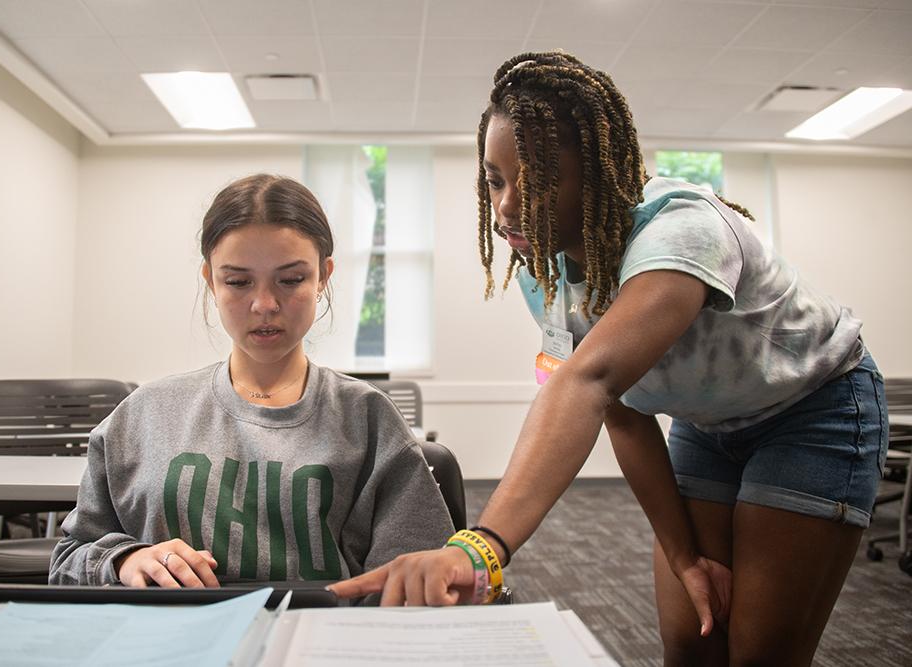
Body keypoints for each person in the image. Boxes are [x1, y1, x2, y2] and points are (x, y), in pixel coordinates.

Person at [330, 51, 888, 665]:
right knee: (691, 639)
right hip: (708, 427)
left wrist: (481, 547)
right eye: (494, 179)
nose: (507, 205)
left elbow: (587, 380)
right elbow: (621, 410)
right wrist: (682, 556)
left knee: (759, 651)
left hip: (814, 410)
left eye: (536, 182)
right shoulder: (540, 267)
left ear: (594, 178)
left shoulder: (682, 233)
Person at [50, 174, 453, 590]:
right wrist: (125, 560)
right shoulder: (143, 415)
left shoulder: (367, 420)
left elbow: (418, 580)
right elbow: (69, 560)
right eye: (238, 282)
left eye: (291, 279)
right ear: (211, 280)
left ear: (323, 277)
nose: (264, 304)